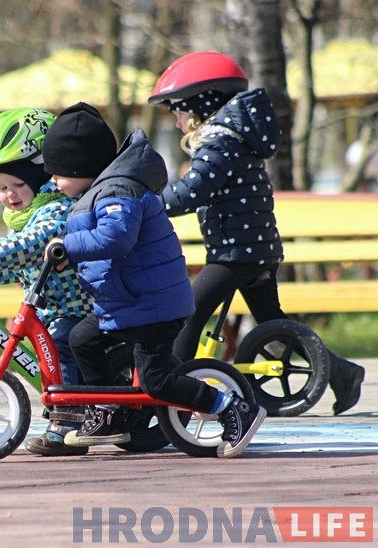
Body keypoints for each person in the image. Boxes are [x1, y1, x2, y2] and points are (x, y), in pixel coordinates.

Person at [42, 101, 265, 458]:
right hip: (127, 304)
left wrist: (68, 247)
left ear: (80, 166)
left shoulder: (119, 191)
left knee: (156, 381)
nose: (52, 179)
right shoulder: (97, 193)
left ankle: (230, 406)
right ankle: (109, 414)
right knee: (82, 339)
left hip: (152, 307)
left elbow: (116, 238)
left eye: (57, 171)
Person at [148, 51, 365, 416]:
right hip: (255, 249)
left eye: (178, 109)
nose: (176, 118)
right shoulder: (237, 139)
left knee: (188, 311)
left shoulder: (218, 144)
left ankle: (173, 390)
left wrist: (149, 205)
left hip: (237, 254)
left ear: (202, 105)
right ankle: (342, 372)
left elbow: (193, 190)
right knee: (274, 324)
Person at [0, 107, 94, 457]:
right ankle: (64, 411)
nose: (10, 194)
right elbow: (22, 265)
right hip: (48, 307)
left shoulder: (55, 209)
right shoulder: (24, 215)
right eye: (1, 187)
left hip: (76, 307)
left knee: (63, 347)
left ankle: (68, 424)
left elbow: (33, 245)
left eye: (18, 184)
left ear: (42, 177)